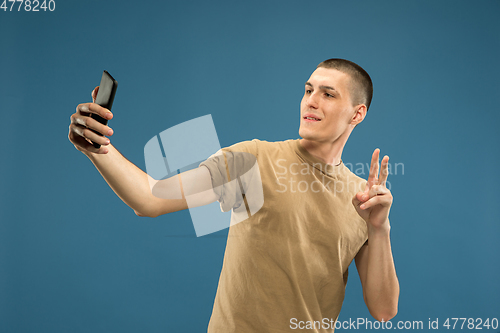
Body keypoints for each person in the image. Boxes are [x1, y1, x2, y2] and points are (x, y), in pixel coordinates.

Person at [68, 58, 399, 332]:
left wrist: (378, 229)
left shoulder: (363, 198)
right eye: (308, 90)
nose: (311, 100)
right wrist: (98, 149)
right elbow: (150, 199)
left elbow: (384, 311)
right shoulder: (253, 160)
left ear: (357, 113)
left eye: (328, 94)